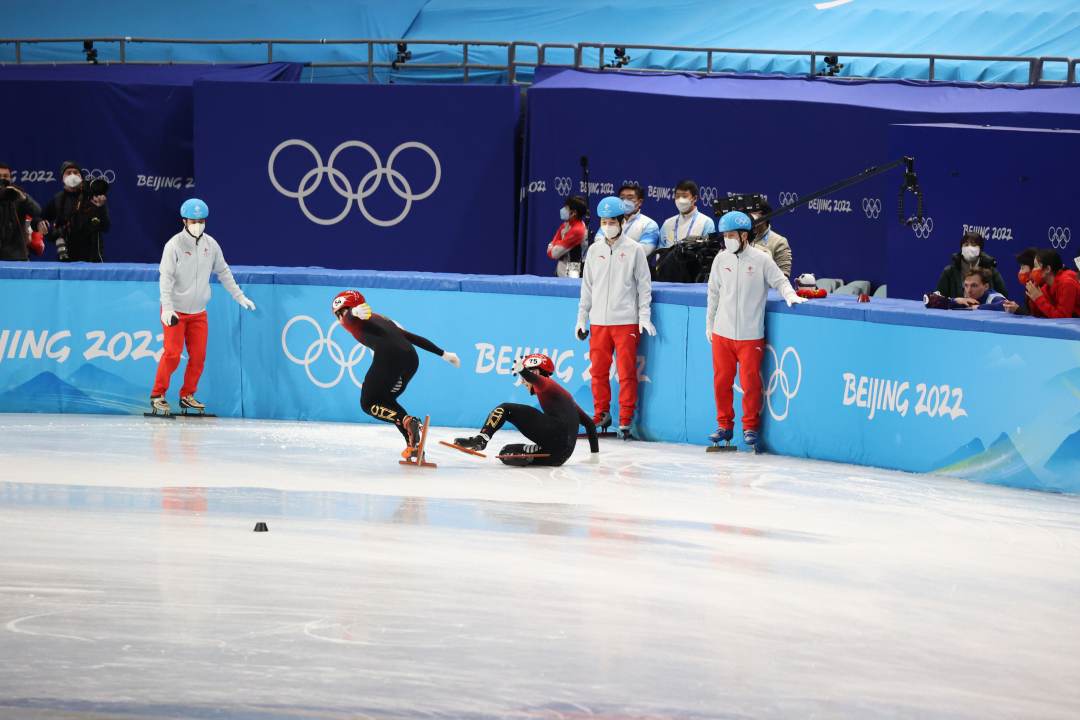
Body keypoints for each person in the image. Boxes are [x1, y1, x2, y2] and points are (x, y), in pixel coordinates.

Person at [706, 211, 806, 453]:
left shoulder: (761, 259)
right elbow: (713, 294)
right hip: (722, 333)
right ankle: (723, 425)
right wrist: (709, 324)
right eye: (725, 235)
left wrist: (791, 295)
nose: (727, 239)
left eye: (731, 235)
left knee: (750, 383)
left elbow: (780, 281)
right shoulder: (721, 259)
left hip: (750, 335)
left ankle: (750, 426)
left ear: (744, 235)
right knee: (721, 382)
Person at [150, 199, 257, 416]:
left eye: (201, 221)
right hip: (176, 311)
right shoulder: (173, 245)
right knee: (172, 354)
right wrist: (168, 308)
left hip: (199, 312)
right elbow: (166, 278)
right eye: (193, 221)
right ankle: (157, 395)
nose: (197, 224)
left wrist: (239, 295)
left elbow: (224, 272)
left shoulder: (211, 244)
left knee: (198, 357)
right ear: (184, 221)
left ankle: (187, 395)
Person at [333, 289, 461, 459]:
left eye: (342, 312)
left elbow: (350, 319)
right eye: (337, 315)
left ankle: (408, 422)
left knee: (368, 403)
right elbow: (412, 337)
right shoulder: (382, 319)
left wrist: (352, 313)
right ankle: (413, 445)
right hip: (411, 358)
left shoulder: (353, 320)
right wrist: (443, 354)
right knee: (387, 402)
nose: (340, 318)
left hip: (389, 357)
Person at [576, 196, 655, 439]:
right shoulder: (594, 250)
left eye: (612, 221)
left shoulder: (634, 251)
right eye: (603, 221)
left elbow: (644, 286)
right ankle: (601, 413)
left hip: (625, 322)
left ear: (622, 221)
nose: (607, 225)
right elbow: (587, 288)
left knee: (626, 371)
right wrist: (581, 318)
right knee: (598, 371)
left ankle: (626, 418)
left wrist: (644, 316)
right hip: (599, 322)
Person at [452, 353, 599, 466]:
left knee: (505, 409)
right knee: (506, 452)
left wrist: (523, 370)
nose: (522, 382)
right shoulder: (566, 397)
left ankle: (481, 439)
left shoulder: (546, 384)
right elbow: (590, 424)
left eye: (523, 377)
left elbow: (539, 381)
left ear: (535, 373)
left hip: (556, 434)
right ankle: (532, 455)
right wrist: (594, 457)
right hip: (560, 455)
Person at [41, 161, 110, 262]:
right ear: (62, 178)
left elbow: (105, 226)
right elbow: (41, 221)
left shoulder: (93, 197)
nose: (72, 175)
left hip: (92, 257)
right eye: (68, 172)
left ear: (81, 177)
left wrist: (101, 208)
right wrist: (52, 233)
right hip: (67, 257)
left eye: (75, 172)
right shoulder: (58, 199)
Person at [935, 231, 1007, 299]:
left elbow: (1003, 298)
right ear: (961, 248)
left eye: (974, 245)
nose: (969, 247)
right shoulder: (949, 271)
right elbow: (938, 298)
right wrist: (955, 302)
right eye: (966, 245)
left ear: (980, 249)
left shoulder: (991, 271)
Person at [0, 162, 45, 261]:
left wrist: (24, 198)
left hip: (17, 256)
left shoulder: (17, 194)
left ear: (10, 178)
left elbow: (38, 211)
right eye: (0, 176)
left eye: (6, 176)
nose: (2, 179)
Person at [658, 180, 715, 250]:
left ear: (694, 198)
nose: (680, 200)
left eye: (684, 196)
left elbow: (709, 251)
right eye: (677, 196)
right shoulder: (667, 223)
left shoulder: (706, 222)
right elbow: (660, 252)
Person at [1025, 249, 1080, 318]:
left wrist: (1039, 298)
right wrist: (1033, 298)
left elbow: (1062, 318)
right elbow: (1039, 315)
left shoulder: (1067, 283)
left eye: (1036, 266)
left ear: (1048, 269)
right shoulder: (1046, 287)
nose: (1033, 270)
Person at [748, 198, 793, 278]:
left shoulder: (779, 242)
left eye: (752, 214)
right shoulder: (740, 238)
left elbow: (783, 277)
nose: (748, 218)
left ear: (765, 216)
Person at [547, 195, 588, 277]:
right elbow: (551, 249)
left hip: (573, 272)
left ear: (573, 213)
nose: (563, 210)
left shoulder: (578, 230)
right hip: (561, 270)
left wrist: (556, 244)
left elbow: (554, 253)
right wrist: (557, 243)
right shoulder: (566, 224)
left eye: (566, 208)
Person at [618, 183, 660, 257]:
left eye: (630, 198)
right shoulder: (610, 221)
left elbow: (644, 250)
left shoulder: (649, 225)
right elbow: (598, 241)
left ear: (640, 202)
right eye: (622, 198)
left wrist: (615, 251)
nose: (625, 201)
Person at [1003, 247, 1040, 316]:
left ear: (1033, 268)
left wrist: (1018, 310)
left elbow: (1040, 316)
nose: (1020, 272)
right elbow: (1028, 311)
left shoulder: (1041, 288)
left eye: (1022, 268)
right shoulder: (1030, 286)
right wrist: (1015, 308)